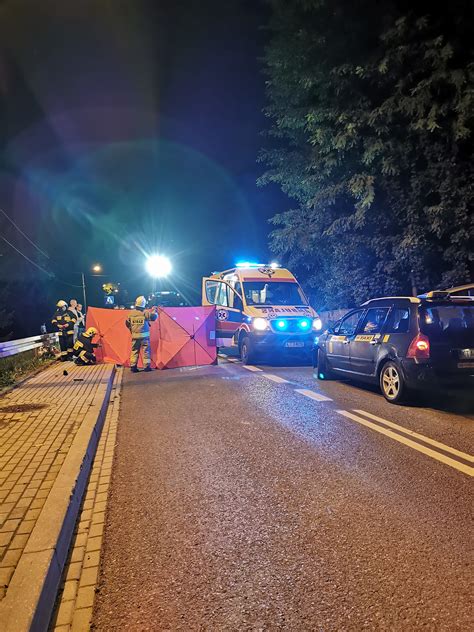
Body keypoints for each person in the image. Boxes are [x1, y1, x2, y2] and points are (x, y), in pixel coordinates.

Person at [125, 295, 158, 372]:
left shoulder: (131, 313)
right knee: (146, 351)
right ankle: (146, 367)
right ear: (143, 304)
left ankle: (133, 367)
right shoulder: (145, 313)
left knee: (134, 351)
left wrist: (132, 330)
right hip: (144, 337)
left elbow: (127, 323)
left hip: (135, 336)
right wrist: (154, 310)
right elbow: (154, 317)